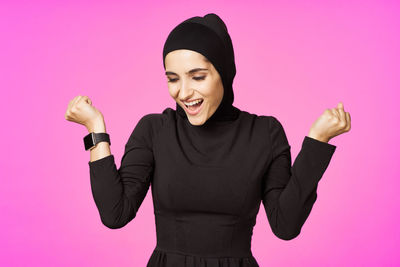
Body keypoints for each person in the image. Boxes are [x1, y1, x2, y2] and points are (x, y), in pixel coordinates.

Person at [65, 13, 351, 267]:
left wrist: (318, 141)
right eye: (173, 79)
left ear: (224, 75)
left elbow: (285, 225)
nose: (183, 92)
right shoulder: (154, 130)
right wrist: (95, 128)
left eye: (197, 77)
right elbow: (115, 213)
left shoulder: (265, 133)